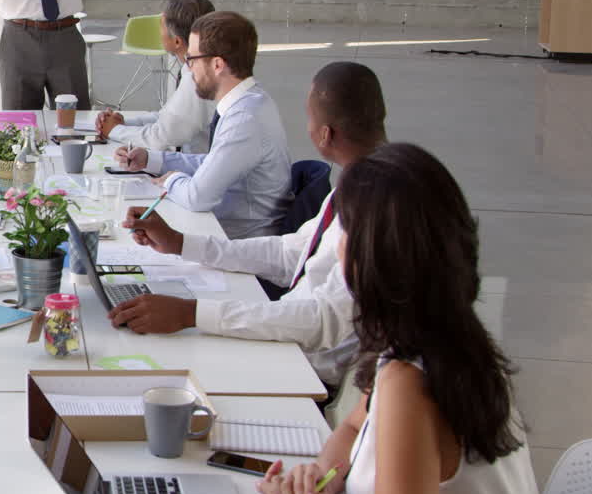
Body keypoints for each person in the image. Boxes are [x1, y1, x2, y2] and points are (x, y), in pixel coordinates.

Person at [256, 143, 543, 494]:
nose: (336, 249)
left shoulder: (410, 382)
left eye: (344, 233)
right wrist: (323, 473)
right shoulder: (445, 333)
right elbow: (357, 423)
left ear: (369, 256)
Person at [111, 61, 386, 391]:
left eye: (310, 117)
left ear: (325, 134)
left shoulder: (378, 205)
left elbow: (321, 322)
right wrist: (181, 243)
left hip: (307, 371)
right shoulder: (357, 184)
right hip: (289, 339)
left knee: (153, 375)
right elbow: (290, 255)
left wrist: (191, 314)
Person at [115, 10, 290, 239]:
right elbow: (215, 162)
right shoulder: (250, 101)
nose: (188, 68)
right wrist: (152, 159)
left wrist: (170, 179)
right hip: (224, 225)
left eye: (192, 59)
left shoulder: (244, 119)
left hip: (235, 238)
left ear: (217, 64)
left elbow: (198, 197)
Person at [95, 0, 217, 153]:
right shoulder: (195, 66)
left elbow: (161, 138)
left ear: (177, 41)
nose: (158, 32)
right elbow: (167, 117)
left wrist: (114, 130)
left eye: (161, 26)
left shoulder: (197, 79)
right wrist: (122, 123)